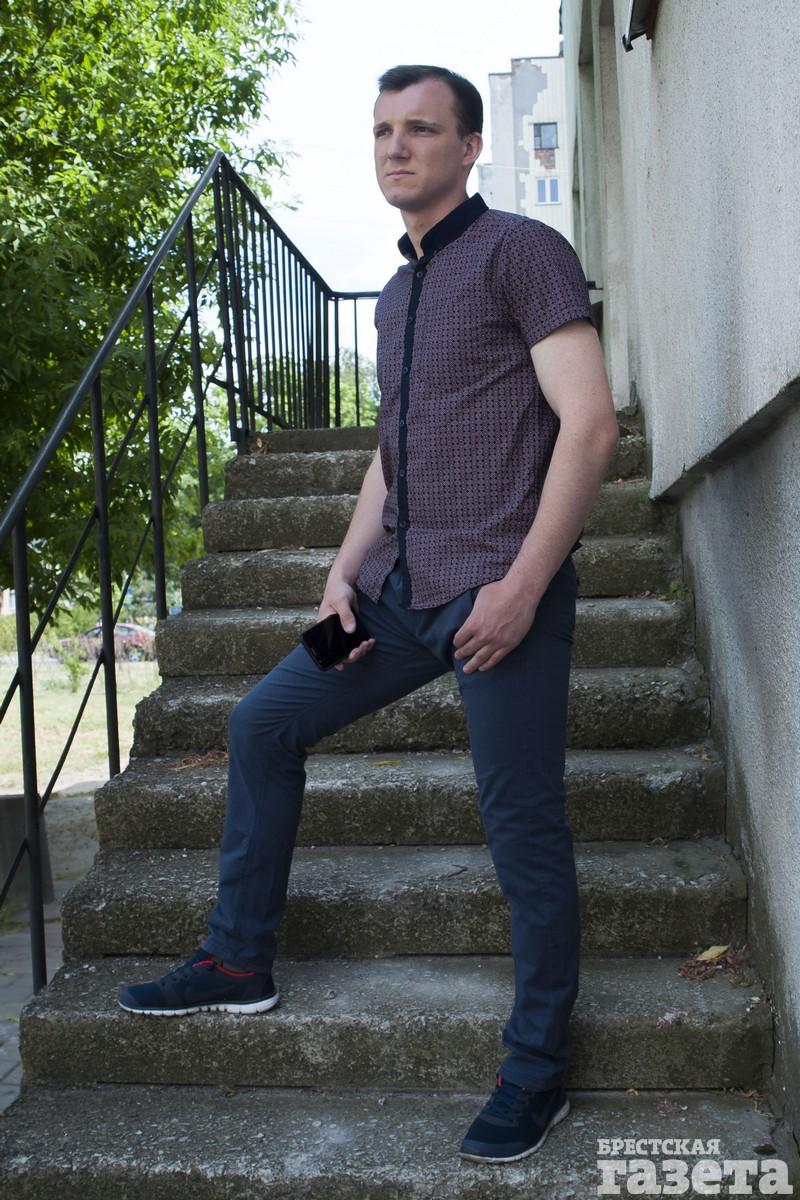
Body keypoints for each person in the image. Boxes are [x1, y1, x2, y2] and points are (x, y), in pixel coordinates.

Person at [118, 63, 619, 1165]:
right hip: (392, 593)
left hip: (498, 594)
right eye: (383, 129)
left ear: (469, 147)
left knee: (522, 824)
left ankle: (536, 1068)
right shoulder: (396, 292)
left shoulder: (523, 253)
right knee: (261, 721)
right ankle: (236, 960)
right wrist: (342, 572)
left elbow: (589, 426)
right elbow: (390, 455)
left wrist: (524, 587)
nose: (396, 147)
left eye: (421, 129)